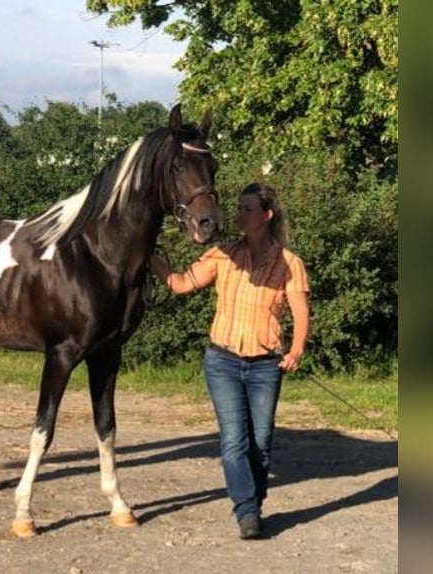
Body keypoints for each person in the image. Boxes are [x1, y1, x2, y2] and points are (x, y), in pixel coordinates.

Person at [148, 182, 310, 539]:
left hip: (266, 365)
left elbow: (300, 311)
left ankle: (253, 500)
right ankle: (247, 512)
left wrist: (296, 349)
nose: (239, 214)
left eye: (247, 209)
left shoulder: (289, 263)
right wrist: (149, 254)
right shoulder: (222, 255)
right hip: (222, 361)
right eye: (238, 208)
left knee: (261, 441)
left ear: (266, 215)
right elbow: (180, 284)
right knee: (234, 440)